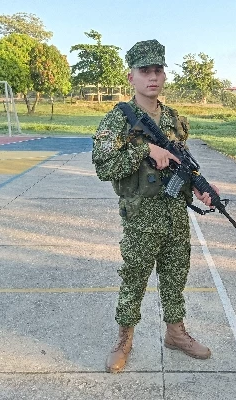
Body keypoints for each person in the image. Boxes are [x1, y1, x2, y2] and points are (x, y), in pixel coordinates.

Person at [92, 39, 219, 373]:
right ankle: (124, 340)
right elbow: (103, 166)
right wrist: (144, 150)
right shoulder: (118, 119)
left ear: (164, 75)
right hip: (141, 217)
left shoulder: (174, 119)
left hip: (175, 215)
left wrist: (200, 186)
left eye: (158, 70)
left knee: (176, 276)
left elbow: (180, 164)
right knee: (134, 278)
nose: (152, 77)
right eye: (144, 70)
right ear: (131, 76)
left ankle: (176, 334)